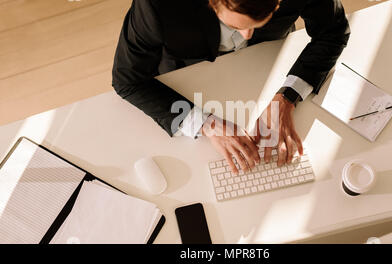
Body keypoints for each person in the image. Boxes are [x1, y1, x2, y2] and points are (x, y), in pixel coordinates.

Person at [112, 0, 350, 174]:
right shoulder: (156, 6)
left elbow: (334, 31)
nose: (246, 35)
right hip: (188, 74)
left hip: (270, 60)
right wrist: (205, 123)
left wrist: (288, 96)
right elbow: (127, 80)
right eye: (237, 26)